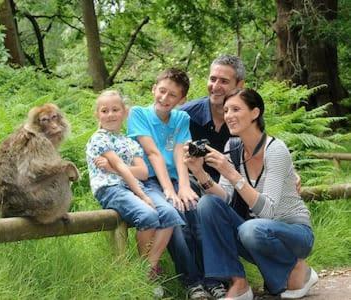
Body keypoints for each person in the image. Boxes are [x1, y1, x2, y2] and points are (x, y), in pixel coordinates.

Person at [184, 88, 317, 300]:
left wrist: (230, 172)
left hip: (294, 232)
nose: (228, 115)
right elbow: (225, 199)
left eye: (236, 109)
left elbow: (268, 211)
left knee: (250, 228)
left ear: (255, 113)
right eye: (226, 110)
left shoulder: (276, 149)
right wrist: (199, 172)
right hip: (256, 233)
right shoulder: (233, 146)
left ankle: (297, 267)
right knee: (208, 204)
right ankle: (238, 281)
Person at [127, 68, 219, 299]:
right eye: (162, 91)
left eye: (172, 95)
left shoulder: (181, 118)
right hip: (150, 182)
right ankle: (192, 283)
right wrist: (170, 191)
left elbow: (181, 153)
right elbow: (153, 153)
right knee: (178, 226)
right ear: (154, 89)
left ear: (182, 100)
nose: (165, 98)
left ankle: (214, 280)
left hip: (177, 179)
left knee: (197, 217)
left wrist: (184, 186)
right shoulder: (139, 114)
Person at [85, 90, 185, 278]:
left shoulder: (128, 141)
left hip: (136, 186)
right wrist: (143, 196)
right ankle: (146, 272)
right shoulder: (99, 138)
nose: (110, 115)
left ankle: (147, 267)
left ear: (124, 112)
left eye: (115, 109)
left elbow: (143, 172)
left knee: (170, 214)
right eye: (104, 111)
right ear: (97, 114)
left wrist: (113, 168)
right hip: (112, 189)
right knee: (147, 215)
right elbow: (124, 167)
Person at [180, 54, 244, 182]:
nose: (215, 86)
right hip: (191, 185)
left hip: (234, 188)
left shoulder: (246, 118)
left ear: (240, 85)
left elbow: (262, 149)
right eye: (213, 79)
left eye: (224, 81)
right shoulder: (186, 115)